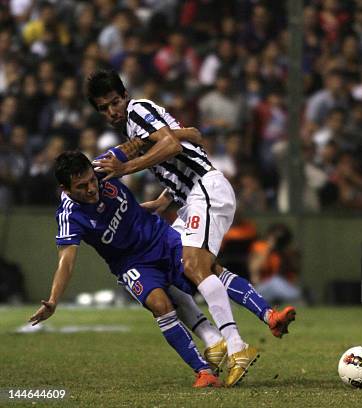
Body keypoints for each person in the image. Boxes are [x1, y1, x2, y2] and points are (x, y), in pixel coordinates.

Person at [85, 69, 287, 386]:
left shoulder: (137, 109)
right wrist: (166, 198)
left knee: (194, 265)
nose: (111, 111)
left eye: (114, 102)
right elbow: (181, 142)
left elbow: (171, 146)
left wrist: (125, 167)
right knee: (180, 269)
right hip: (190, 195)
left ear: (124, 95)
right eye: (103, 107)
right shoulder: (136, 125)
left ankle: (235, 346)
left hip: (204, 188)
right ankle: (241, 328)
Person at [29, 151, 296, 387]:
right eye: (81, 186)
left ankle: (269, 315)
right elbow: (67, 259)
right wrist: (53, 300)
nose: (91, 188)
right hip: (130, 263)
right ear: (65, 189)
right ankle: (203, 371)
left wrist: (180, 137)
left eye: (90, 180)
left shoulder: (103, 167)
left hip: (159, 236)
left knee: (207, 268)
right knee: (160, 304)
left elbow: (138, 144)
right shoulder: (69, 216)